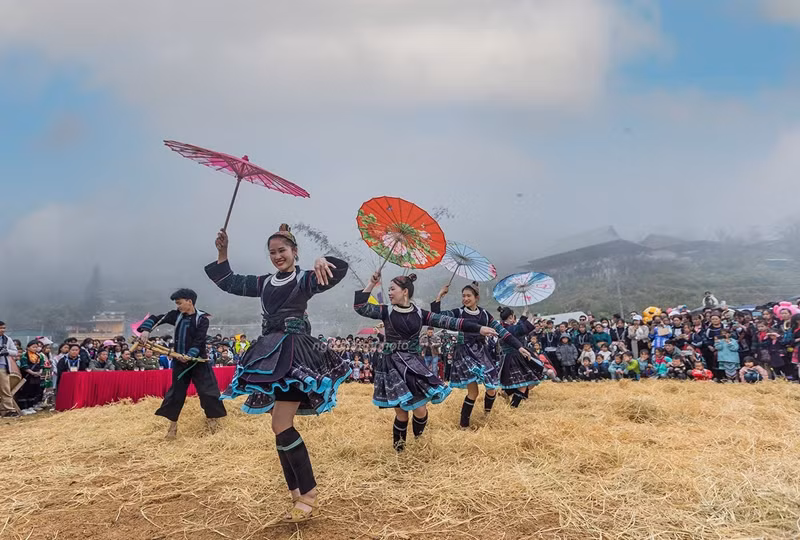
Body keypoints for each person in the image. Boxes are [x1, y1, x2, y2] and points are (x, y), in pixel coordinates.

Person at [206, 225, 349, 523]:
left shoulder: (306, 278)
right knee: (277, 424)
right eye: (272, 252)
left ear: (295, 252)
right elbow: (228, 281)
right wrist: (222, 251)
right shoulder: (264, 282)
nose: (277, 256)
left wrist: (324, 259)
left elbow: (340, 269)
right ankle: (296, 491)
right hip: (271, 356)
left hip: (296, 358)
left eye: (282, 251)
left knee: (281, 422)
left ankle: (308, 493)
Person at [355, 271, 500, 449]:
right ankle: (399, 451)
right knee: (401, 414)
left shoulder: (420, 314)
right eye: (389, 290)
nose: (390, 293)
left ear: (405, 291)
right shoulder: (387, 311)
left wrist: (479, 328)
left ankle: (418, 443)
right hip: (392, 364)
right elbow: (361, 306)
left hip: (414, 365)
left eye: (393, 289)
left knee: (421, 410)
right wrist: (370, 283)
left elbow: (451, 322)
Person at [431, 281, 532, 428]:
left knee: (492, 388)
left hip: (481, 352)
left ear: (476, 297)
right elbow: (436, 317)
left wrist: (520, 347)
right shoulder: (458, 313)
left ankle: (487, 415)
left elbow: (503, 332)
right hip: (464, 352)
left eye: (468, 296)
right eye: (463, 296)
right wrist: (439, 296)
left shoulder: (484, 314)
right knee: (474, 392)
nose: (465, 298)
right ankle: (464, 424)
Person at [137, 288, 227, 439]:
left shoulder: (202, 319)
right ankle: (172, 427)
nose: (177, 306)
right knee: (176, 394)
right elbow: (156, 318)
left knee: (208, 392)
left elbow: (199, 340)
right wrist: (146, 330)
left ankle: (212, 421)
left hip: (199, 361)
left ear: (189, 302)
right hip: (180, 362)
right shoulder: (175, 315)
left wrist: (189, 355)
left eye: (179, 303)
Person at [495, 307, 540, 406]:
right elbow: (521, 329)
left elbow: (519, 327)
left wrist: (524, 316)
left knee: (521, 383)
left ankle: (507, 395)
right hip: (513, 358)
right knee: (523, 384)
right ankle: (513, 407)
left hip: (510, 358)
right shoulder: (508, 329)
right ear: (511, 317)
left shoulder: (502, 328)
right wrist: (526, 317)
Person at [16, 340, 44, 414]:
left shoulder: (38, 356)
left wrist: (39, 372)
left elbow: (41, 365)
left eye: (36, 347)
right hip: (27, 376)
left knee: (34, 391)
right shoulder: (24, 356)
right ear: (28, 347)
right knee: (25, 391)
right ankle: (23, 407)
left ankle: (30, 406)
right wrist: (32, 372)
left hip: (36, 376)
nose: (35, 348)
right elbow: (24, 366)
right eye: (33, 347)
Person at [0, 321, 20, 417]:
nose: (2, 330)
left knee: (5, 389)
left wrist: (6, 351)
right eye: (0, 328)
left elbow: (15, 352)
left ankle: (8, 410)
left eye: (3, 328)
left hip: (3, 366)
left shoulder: (7, 339)